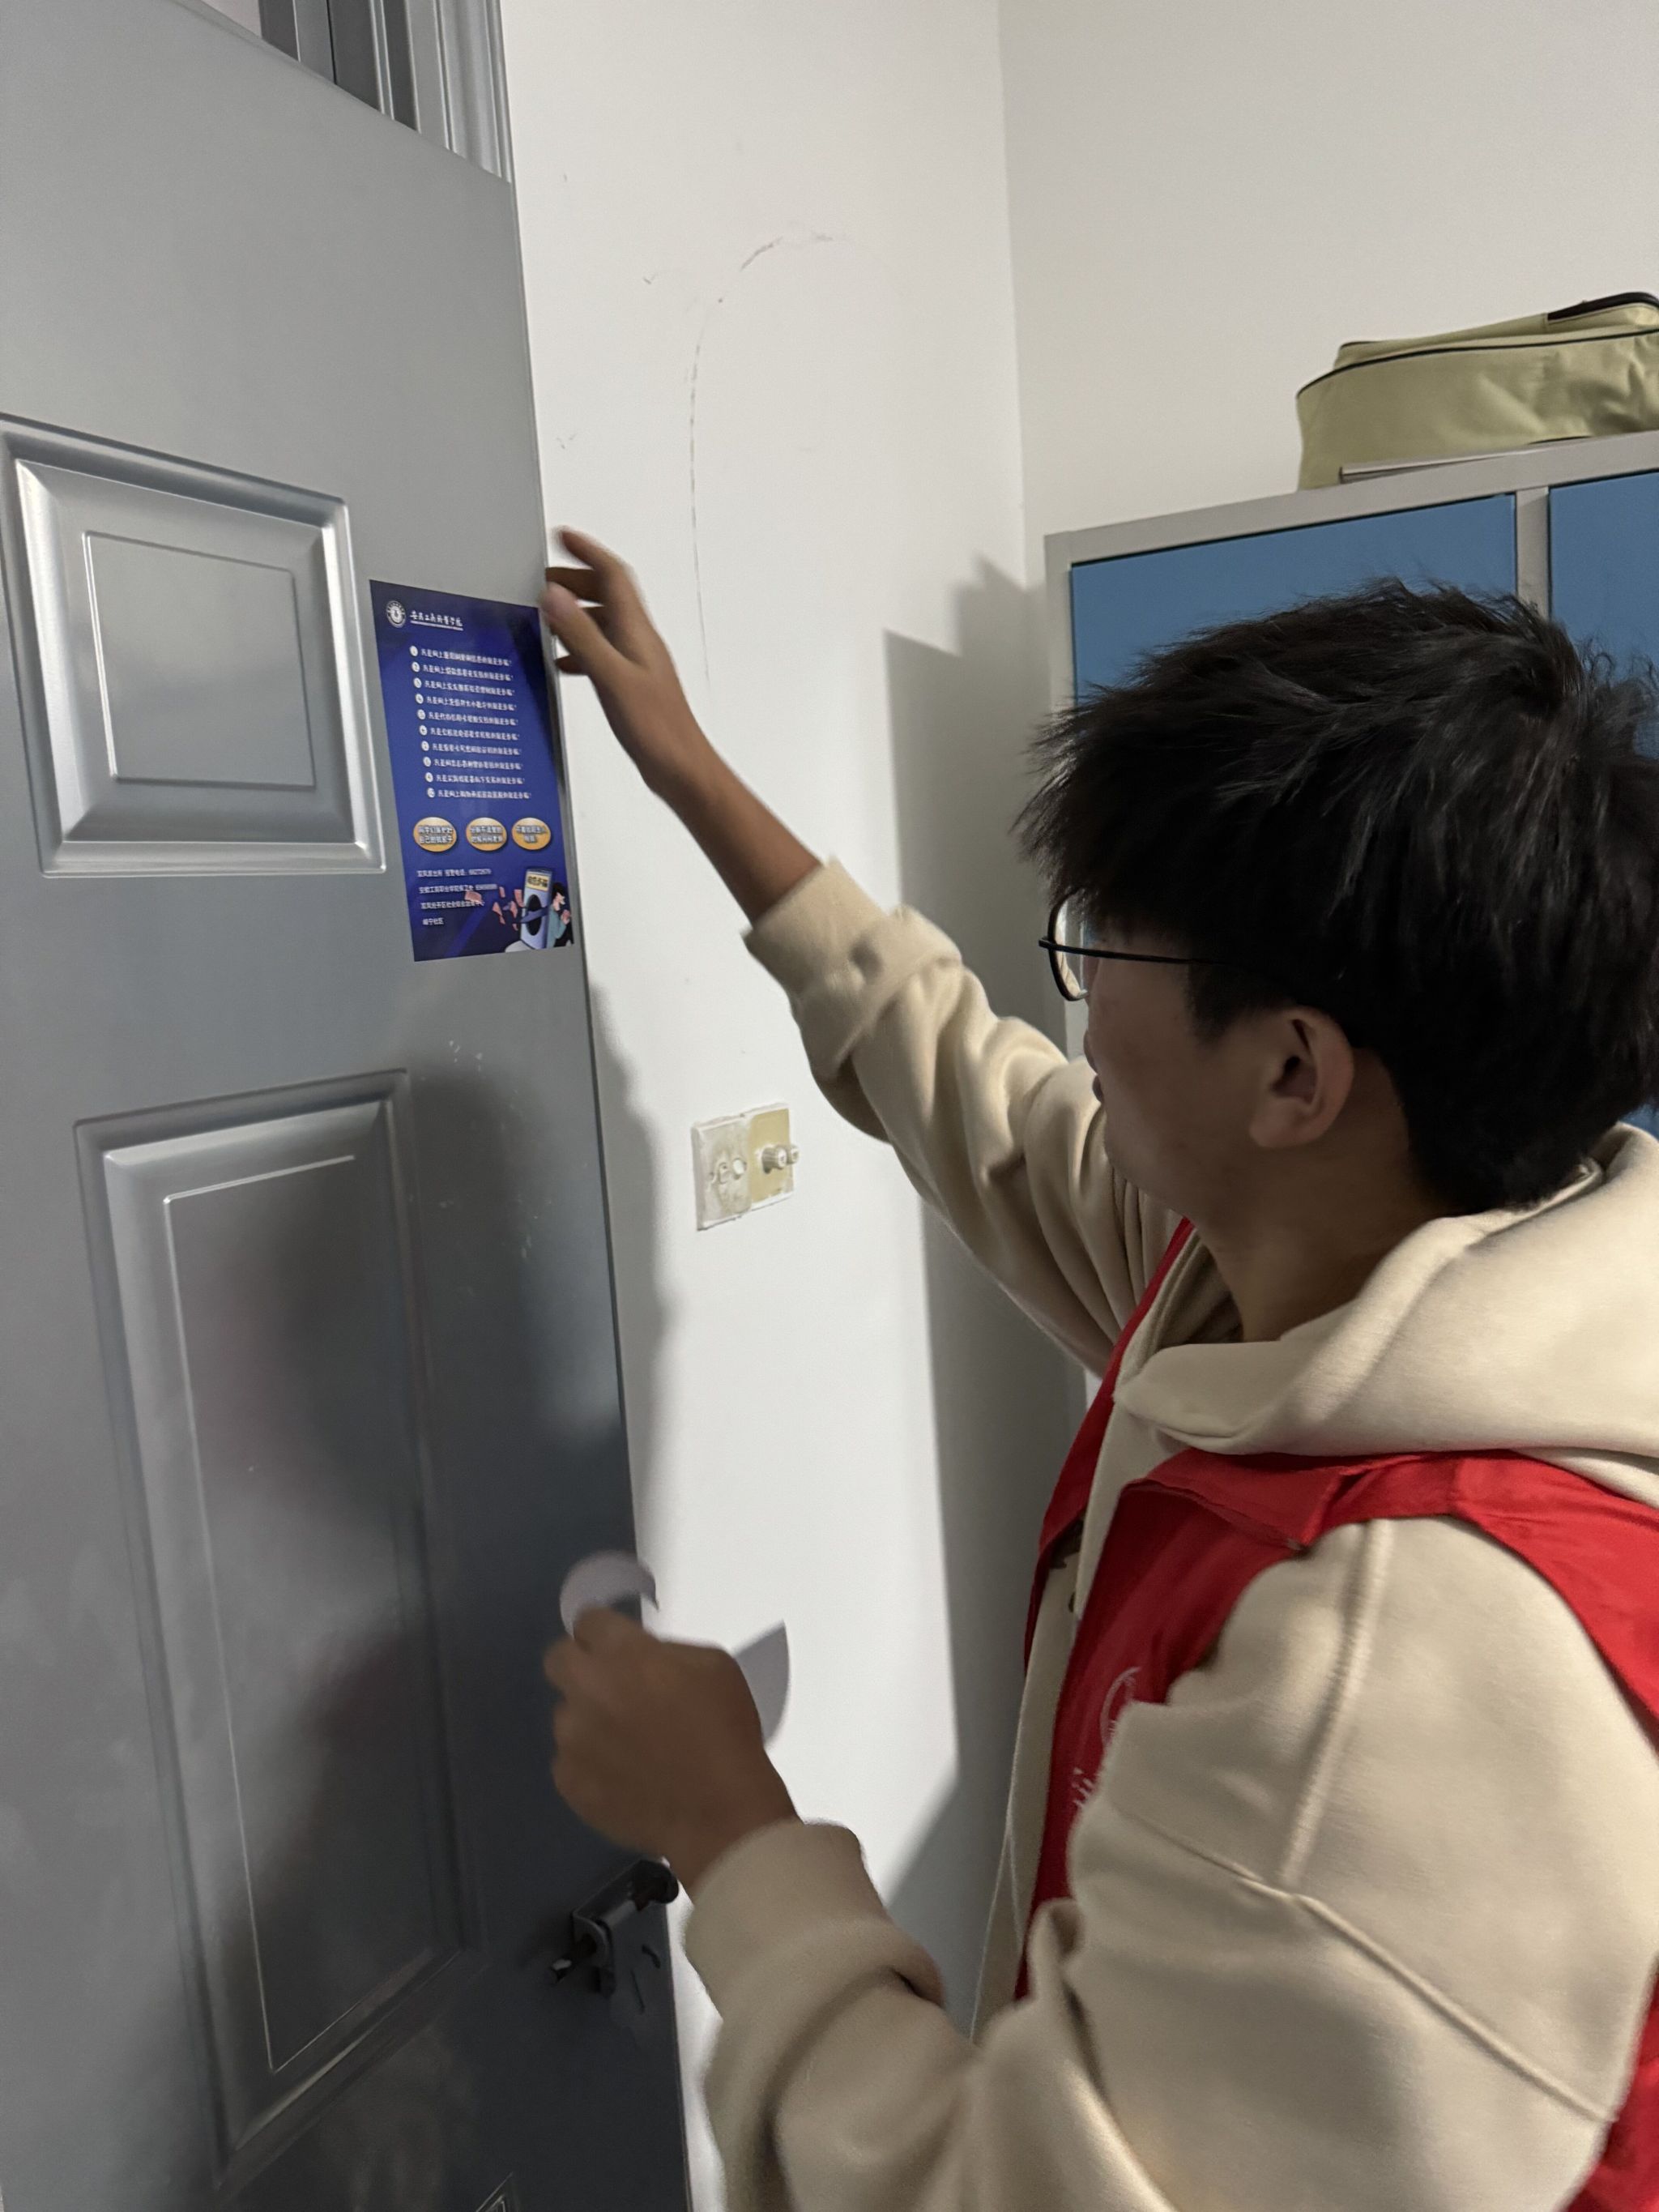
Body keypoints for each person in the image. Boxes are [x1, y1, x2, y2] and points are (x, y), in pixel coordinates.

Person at [538, 527, 1659, 2212]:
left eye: (1101, 950)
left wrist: (730, 1831)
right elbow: (950, 1070)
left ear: (1292, 1074)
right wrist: (688, 767)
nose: (1074, 1013)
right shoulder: (1268, 1267)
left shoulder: (1420, 1668)